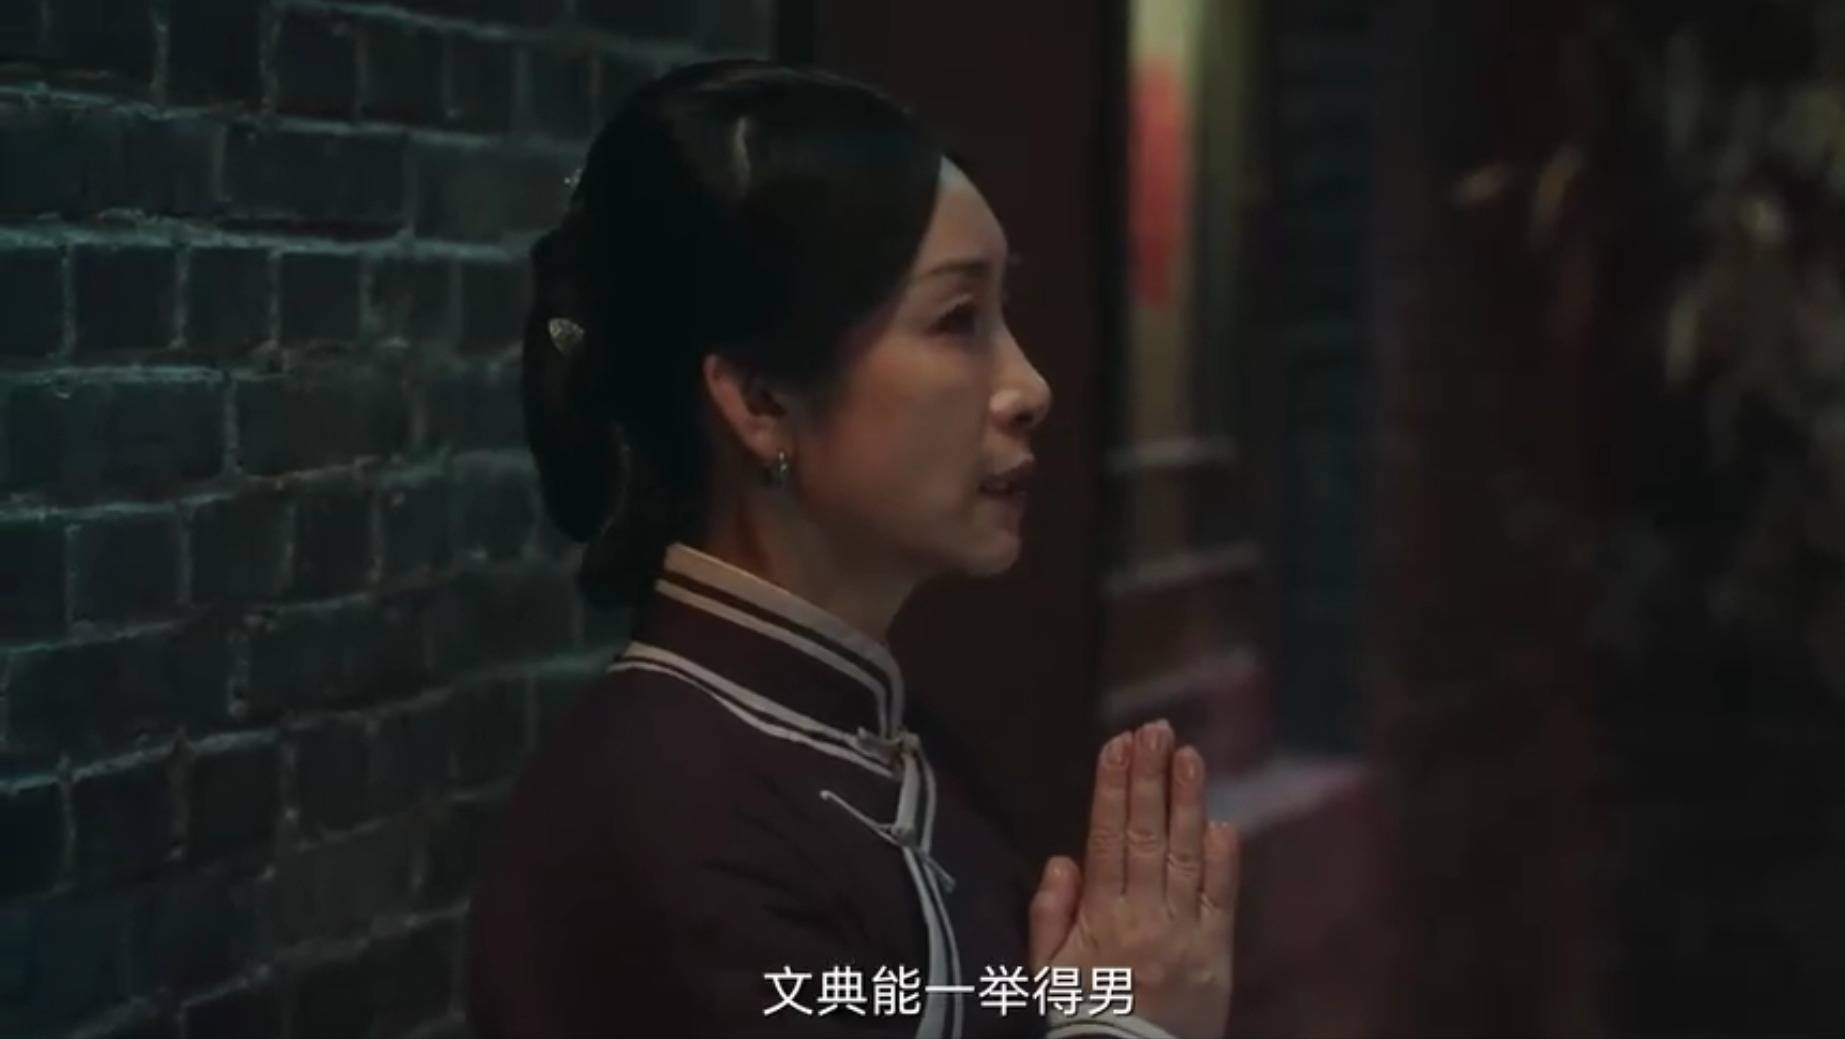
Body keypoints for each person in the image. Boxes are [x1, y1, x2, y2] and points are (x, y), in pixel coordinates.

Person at [465, 58, 1241, 1039]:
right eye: (957, 321)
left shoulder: (893, 747)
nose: (1029, 387)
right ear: (761, 400)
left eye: (1003, 313)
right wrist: (1132, 1025)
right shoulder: (663, 816)